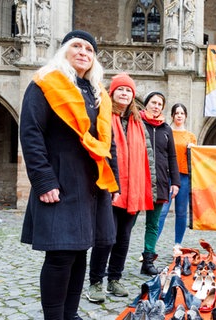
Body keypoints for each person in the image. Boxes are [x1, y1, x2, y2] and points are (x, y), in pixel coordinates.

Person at [20, 29, 118, 319]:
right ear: (64, 51)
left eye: (89, 49)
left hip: (91, 183)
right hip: (60, 180)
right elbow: (30, 132)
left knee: (80, 253)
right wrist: (43, 180)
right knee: (61, 254)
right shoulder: (45, 84)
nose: (83, 53)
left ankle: (70, 314)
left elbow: (106, 143)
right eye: (77, 46)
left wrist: (112, 182)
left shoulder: (97, 93)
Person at [87, 73, 155, 303]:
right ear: (112, 92)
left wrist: (150, 188)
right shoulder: (103, 115)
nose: (125, 94)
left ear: (133, 96)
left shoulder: (137, 122)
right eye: (120, 90)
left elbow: (148, 158)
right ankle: (96, 282)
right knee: (105, 238)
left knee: (123, 237)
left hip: (132, 190)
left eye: (128, 90)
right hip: (109, 187)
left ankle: (114, 278)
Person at [139, 92, 181, 275]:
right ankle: (116, 260)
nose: (156, 106)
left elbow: (172, 156)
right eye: (153, 102)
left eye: (159, 104)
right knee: (127, 224)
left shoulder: (166, 128)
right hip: (139, 180)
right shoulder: (137, 124)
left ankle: (148, 261)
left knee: (153, 224)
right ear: (146, 104)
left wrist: (176, 182)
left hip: (161, 181)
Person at [158, 103, 197, 256]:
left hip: (185, 176)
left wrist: (193, 149)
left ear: (185, 116)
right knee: (162, 212)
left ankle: (177, 245)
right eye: (177, 113)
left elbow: (195, 158)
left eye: (182, 113)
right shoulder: (166, 131)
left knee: (181, 212)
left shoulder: (190, 136)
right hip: (168, 176)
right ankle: (151, 246)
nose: (179, 115)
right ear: (173, 116)